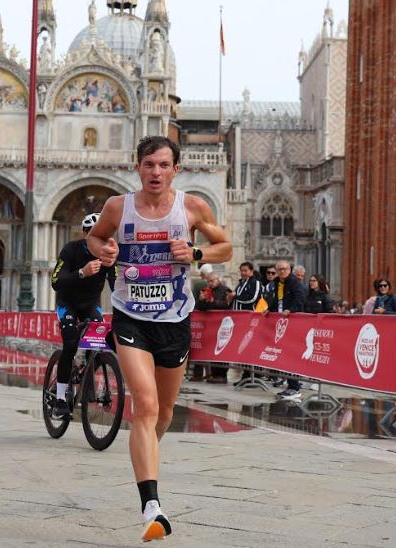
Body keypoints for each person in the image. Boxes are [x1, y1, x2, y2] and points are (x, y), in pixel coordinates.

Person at [87, 136, 231, 542]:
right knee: (145, 405)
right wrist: (106, 252)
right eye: (149, 164)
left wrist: (196, 255)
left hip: (175, 319)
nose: (155, 172)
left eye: (163, 165)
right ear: (138, 167)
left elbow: (226, 246)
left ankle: (144, 446)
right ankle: (152, 506)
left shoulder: (192, 207)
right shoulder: (119, 207)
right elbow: (94, 239)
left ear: (175, 170)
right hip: (130, 317)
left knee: (163, 411)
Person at [48, 212, 115, 420]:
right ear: (86, 234)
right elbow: (56, 282)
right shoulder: (70, 249)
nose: (100, 241)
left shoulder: (109, 255)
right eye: (94, 234)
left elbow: (116, 287)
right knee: (70, 344)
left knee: (98, 343)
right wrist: (81, 273)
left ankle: (87, 380)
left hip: (90, 305)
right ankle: (59, 399)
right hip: (67, 303)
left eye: (103, 236)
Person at [263, 260, 307, 399]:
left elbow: (300, 298)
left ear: (289, 269)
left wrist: (291, 310)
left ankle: (295, 387)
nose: (282, 271)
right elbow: (277, 299)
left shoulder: (294, 282)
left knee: (291, 354)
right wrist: (269, 309)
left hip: (293, 321)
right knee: (284, 355)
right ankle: (290, 385)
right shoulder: (277, 282)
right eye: (280, 269)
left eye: (285, 269)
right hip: (281, 321)